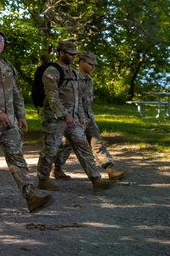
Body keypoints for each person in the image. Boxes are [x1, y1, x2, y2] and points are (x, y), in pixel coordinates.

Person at [0, 27, 53, 212]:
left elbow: (16, 92)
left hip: (9, 122)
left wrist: (21, 115)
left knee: (17, 158)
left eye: (1, 41)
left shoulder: (7, 66)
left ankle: (31, 196)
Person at [36, 41, 117, 193]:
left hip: (73, 119)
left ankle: (96, 180)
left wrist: (80, 115)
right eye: (70, 54)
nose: (73, 56)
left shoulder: (73, 73)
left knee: (84, 147)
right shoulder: (52, 71)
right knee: (50, 150)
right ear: (61, 53)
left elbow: (78, 98)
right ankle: (43, 179)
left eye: (74, 54)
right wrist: (64, 115)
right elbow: (52, 97)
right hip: (54, 119)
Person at [52, 51, 128, 181]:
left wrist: (87, 116)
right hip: (74, 116)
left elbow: (87, 101)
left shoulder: (89, 79)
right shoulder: (72, 76)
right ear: (81, 62)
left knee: (97, 141)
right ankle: (57, 168)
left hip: (87, 116)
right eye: (90, 64)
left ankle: (110, 170)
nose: (93, 67)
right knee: (67, 145)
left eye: (94, 65)